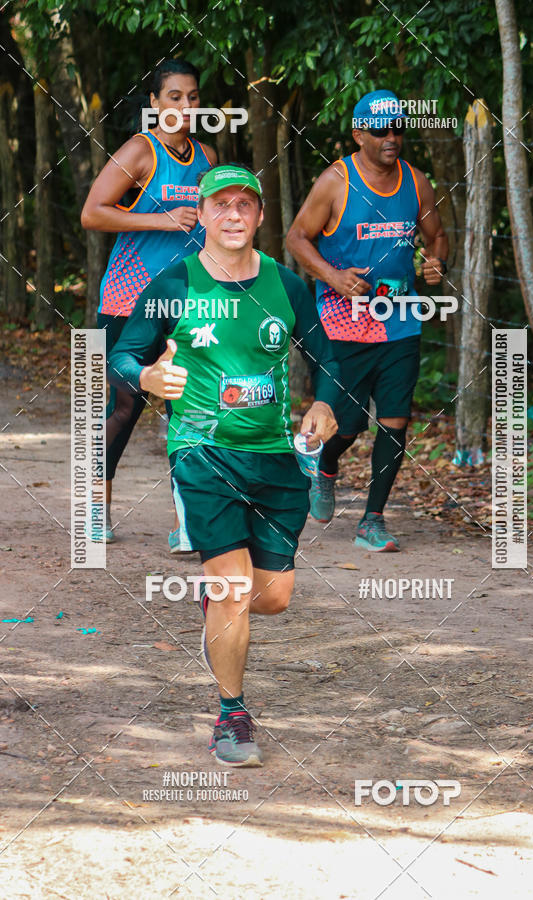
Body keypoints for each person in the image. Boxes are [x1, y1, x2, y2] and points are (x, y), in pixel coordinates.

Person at [108, 164, 339, 767]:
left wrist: (322, 402)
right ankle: (232, 716)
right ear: (203, 215)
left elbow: (328, 356)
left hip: (273, 456)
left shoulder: (287, 286)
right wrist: (149, 376)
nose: (232, 215)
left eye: (245, 205)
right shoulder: (172, 282)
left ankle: (220, 602)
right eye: (220, 205)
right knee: (234, 589)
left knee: (272, 598)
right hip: (201, 450)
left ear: (260, 216)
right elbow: (126, 353)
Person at [286, 89, 449, 551]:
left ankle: (371, 520)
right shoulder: (335, 181)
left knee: (395, 421)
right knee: (350, 424)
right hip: (342, 323)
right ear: (359, 134)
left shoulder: (416, 183)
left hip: (399, 320)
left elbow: (439, 236)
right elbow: (296, 238)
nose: (391, 137)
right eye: (380, 130)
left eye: (398, 127)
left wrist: (435, 262)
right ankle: (325, 466)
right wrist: (333, 277)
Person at [81, 58, 216, 545]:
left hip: (185, 304)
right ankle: (96, 506)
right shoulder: (141, 151)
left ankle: (186, 522)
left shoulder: (207, 157)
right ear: (154, 104)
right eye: (174, 97)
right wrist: (163, 219)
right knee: (123, 404)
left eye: (193, 97)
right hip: (127, 301)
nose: (184, 106)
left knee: (191, 406)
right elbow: (92, 213)